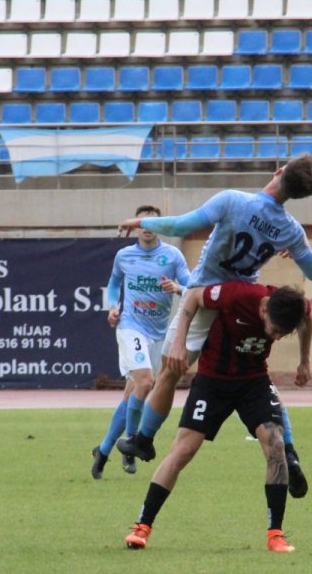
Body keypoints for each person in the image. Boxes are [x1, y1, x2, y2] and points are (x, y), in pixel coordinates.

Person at [116, 154, 312, 498]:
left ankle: (144, 440)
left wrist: (142, 223)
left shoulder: (233, 200)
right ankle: (290, 451)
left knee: (169, 371)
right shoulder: (291, 229)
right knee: (258, 380)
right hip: (246, 304)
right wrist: (293, 249)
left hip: (208, 296)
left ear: (279, 170)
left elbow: (181, 227)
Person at [124, 281, 312, 553]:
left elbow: (309, 316)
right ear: (263, 310)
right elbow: (192, 297)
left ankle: (276, 535)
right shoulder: (237, 295)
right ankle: (142, 527)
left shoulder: (294, 306)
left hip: (253, 381)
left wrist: (304, 360)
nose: (278, 337)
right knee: (183, 450)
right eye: (275, 331)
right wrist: (179, 344)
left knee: (275, 445)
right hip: (213, 381)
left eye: (284, 334)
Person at [92, 205, 190, 480]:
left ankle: (104, 449)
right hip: (130, 326)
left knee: (133, 393)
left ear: (160, 227)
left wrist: (177, 288)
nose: (147, 227)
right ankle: (132, 442)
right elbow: (113, 285)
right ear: (137, 227)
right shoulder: (124, 256)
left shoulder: (172, 256)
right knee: (146, 383)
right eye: (143, 223)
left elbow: (192, 286)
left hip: (158, 332)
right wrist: (113, 307)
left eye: (153, 223)